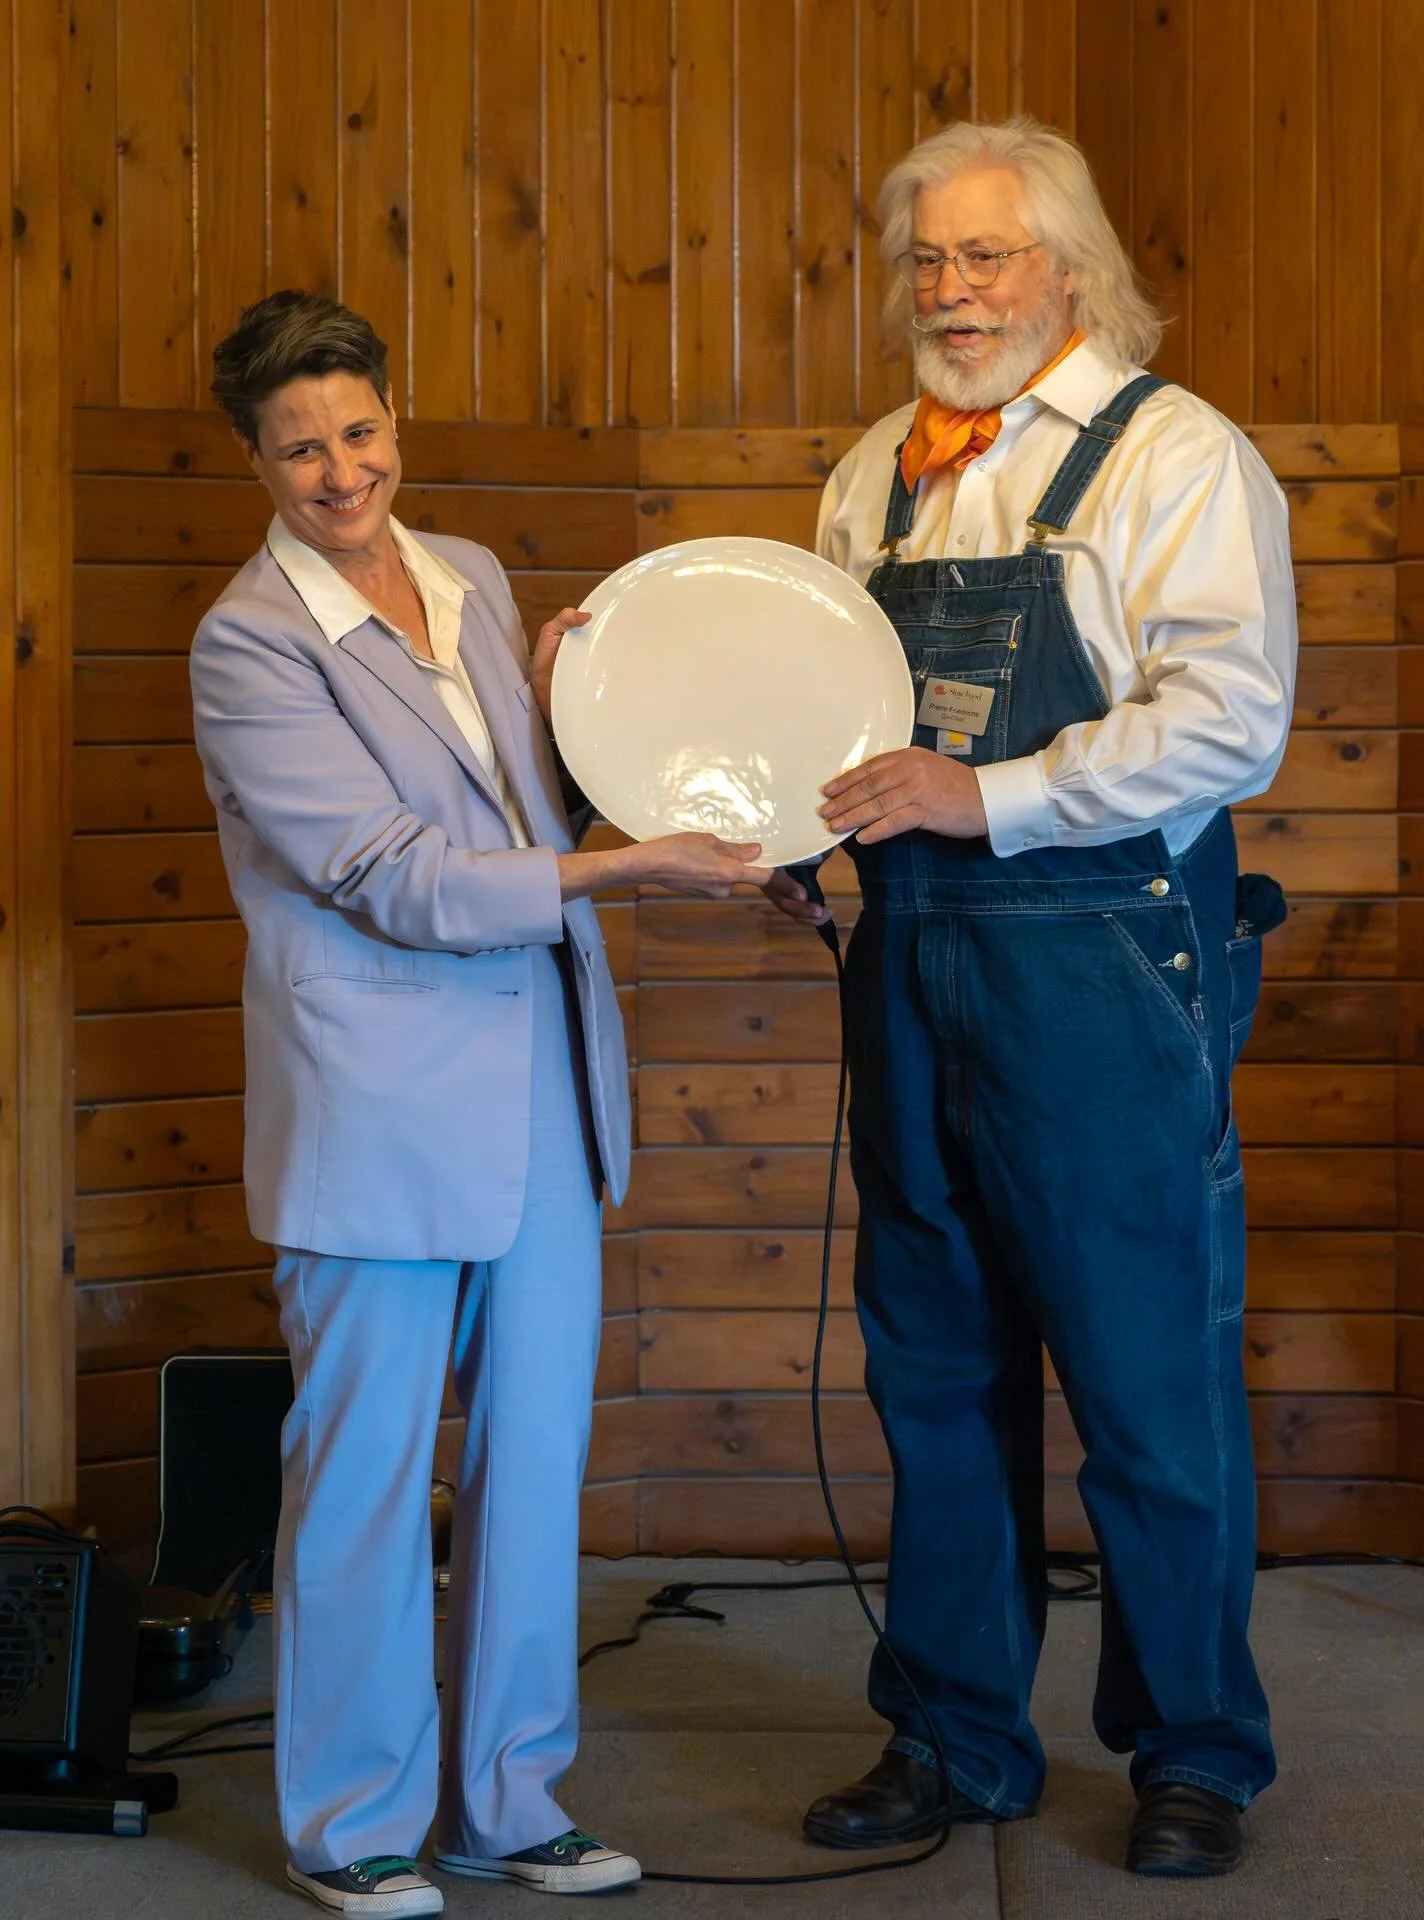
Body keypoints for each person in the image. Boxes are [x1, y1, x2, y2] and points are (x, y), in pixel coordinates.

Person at [191, 290, 771, 1917]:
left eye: (358, 432)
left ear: (396, 422)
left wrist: (677, 801)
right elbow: (394, 876)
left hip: (537, 1084)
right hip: (373, 1109)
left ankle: (511, 1803)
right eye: (298, 448)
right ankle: (355, 1825)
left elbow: (536, 809)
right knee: (367, 1476)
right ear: (257, 459)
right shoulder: (246, 642)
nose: (337, 471)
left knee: (531, 1461)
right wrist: (635, 862)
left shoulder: (479, 580)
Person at [765, 118, 1296, 1879]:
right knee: (935, 1375)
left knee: (1148, 1383)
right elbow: (825, 708)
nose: (952, 289)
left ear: (1068, 269)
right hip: (912, 960)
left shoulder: (1176, 458)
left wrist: (979, 795)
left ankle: (1195, 1751)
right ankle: (951, 1733)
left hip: (1100, 967)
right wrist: (784, 819)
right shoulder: (872, 476)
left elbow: (1229, 719)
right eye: (928, 260)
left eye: (986, 256)